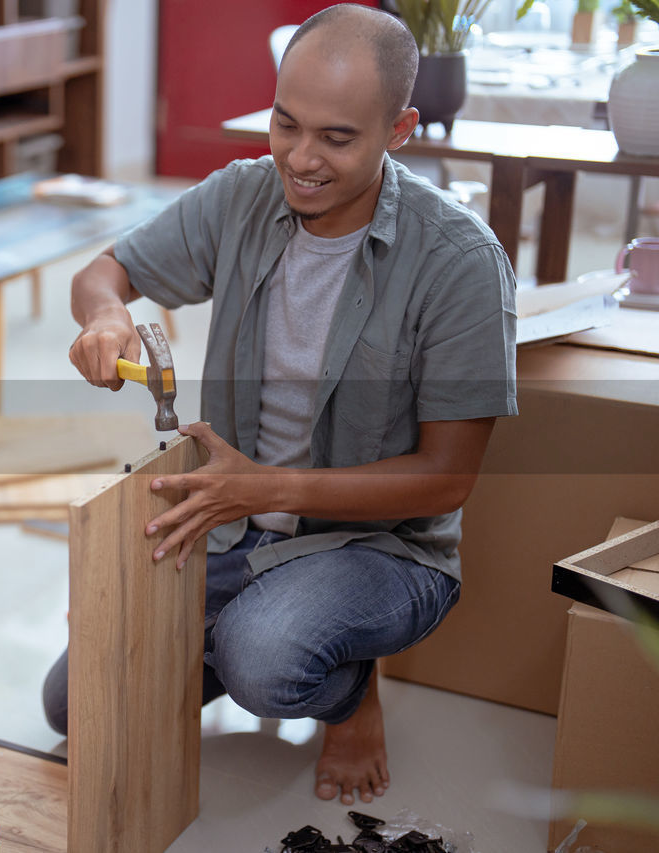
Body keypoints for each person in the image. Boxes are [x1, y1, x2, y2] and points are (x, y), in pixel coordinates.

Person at [43, 3, 517, 807]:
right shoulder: (241, 197)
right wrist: (106, 313)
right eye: (284, 123)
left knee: (265, 659)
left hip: (382, 549)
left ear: (399, 130)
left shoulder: (462, 263)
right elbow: (106, 269)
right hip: (234, 522)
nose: (301, 158)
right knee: (69, 701)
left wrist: (269, 488)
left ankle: (346, 692)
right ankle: (234, 638)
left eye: (337, 138)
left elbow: (446, 481)